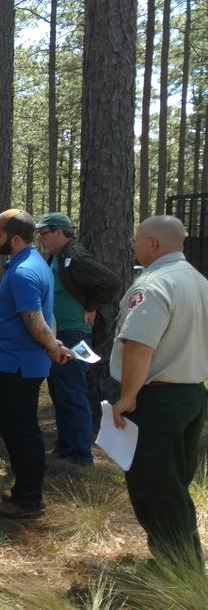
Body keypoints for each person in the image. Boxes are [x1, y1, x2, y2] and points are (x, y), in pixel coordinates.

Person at [111, 215, 208, 569]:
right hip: (192, 395)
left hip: (158, 399)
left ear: (152, 244)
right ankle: (181, 558)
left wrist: (128, 397)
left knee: (156, 489)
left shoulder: (153, 285)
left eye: (137, 239)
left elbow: (139, 345)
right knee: (174, 484)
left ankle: (177, 568)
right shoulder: (198, 281)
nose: (133, 245)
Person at [0, 209, 72, 519]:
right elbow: (48, 315)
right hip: (19, 361)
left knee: (19, 427)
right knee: (16, 423)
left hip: (19, 364)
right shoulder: (33, 264)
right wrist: (53, 344)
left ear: (16, 238)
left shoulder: (23, 272)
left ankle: (28, 498)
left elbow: (33, 318)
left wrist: (51, 345)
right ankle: (27, 490)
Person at [35, 212, 120, 461]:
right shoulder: (58, 256)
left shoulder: (76, 255)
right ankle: (66, 446)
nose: (42, 239)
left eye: (45, 233)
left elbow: (110, 281)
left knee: (71, 390)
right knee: (61, 390)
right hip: (61, 333)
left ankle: (81, 453)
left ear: (61, 232)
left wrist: (92, 306)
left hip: (75, 334)